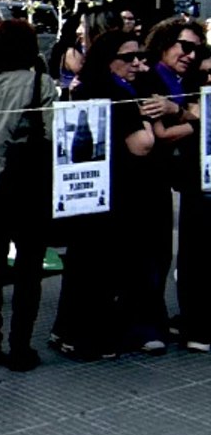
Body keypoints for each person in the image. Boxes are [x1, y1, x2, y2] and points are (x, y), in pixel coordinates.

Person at [52, 31, 160, 360]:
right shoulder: (117, 93)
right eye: (128, 58)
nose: (137, 63)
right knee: (99, 267)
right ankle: (87, 336)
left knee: (87, 263)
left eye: (140, 56)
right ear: (108, 59)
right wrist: (147, 115)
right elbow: (142, 144)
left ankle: (69, 331)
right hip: (114, 191)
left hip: (92, 191)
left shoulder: (89, 87)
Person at [0, 20, 58, 371]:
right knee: (28, 269)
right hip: (29, 184)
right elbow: (52, 132)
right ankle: (21, 347)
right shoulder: (41, 83)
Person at [136, 18, 207, 352]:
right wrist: (197, 120)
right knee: (151, 254)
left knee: (169, 253)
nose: (191, 55)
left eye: (198, 49)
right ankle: (147, 326)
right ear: (164, 42)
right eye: (186, 46)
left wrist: (184, 112)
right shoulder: (149, 75)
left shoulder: (186, 79)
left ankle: (170, 321)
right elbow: (162, 132)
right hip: (147, 176)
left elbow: (191, 111)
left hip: (180, 177)